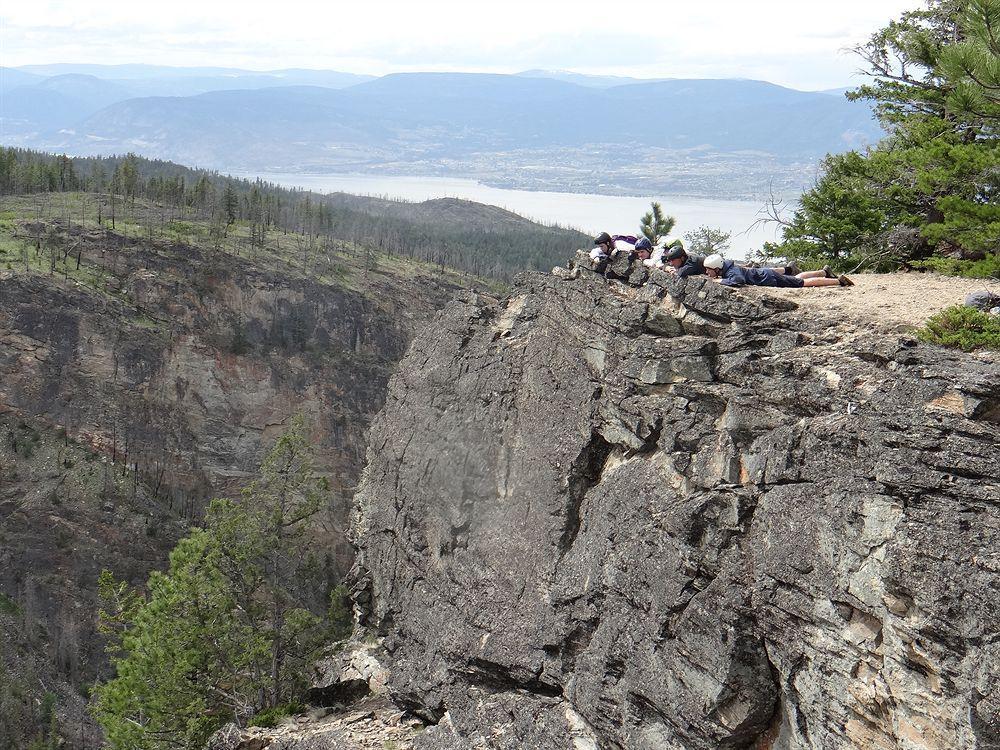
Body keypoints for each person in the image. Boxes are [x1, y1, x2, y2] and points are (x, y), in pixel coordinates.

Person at [703, 254, 853, 287]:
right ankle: (824, 272)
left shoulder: (731, 273)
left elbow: (738, 281)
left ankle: (838, 281)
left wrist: (719, 280)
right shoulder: (729, 268)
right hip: (767, 275)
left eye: (709, 270)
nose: (707, 273)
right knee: (798, 277)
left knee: (802, 282)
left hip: (769, 279)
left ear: (717, 268)